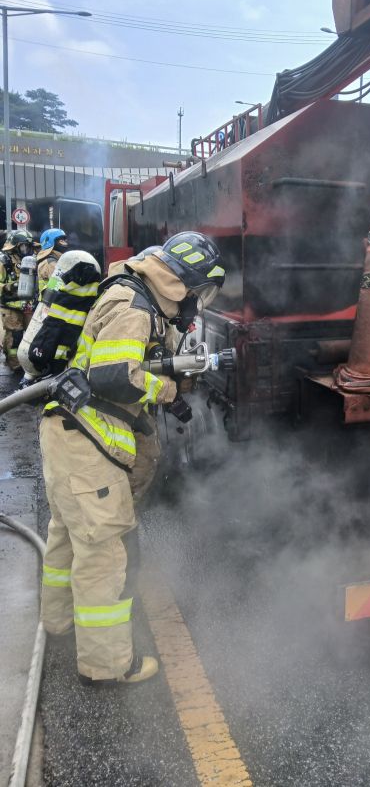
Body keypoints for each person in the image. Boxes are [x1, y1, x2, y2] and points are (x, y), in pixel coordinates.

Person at [39, 232, 225, 685]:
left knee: (67, 536)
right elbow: (114, 378)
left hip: (66, 434)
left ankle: (58, 622)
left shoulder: (131, 292)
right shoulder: (136, 308)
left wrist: (171, 394)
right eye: (198, 292)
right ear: (182, 282)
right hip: (85, 443)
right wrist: (167, 389)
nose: (196, 304)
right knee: (104, 555)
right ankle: (106, 667)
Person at [17, 249, 101, 386]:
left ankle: (27, 382)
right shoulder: (51, 263)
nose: (64, 243)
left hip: (42, 344)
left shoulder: (62, 293)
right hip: (56, 361)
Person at [0, 229, 37, 371]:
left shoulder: (29, 260)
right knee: (14, 337)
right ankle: (14, 365)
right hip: (10, 307)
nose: (26, 249)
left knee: (30, 335)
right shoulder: (3, 261)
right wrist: (11, 286)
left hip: (28, 305)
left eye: (28, 246)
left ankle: (28, 362)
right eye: (23, 246)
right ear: (15, 246)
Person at [36, 229, 69, 301]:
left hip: (50, 303)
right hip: (50, 306)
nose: (65, 243)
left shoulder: (55, 259)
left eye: (64, 240)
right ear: (50, 243)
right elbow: (60, 286)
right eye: (61, 241)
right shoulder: (50, 263)